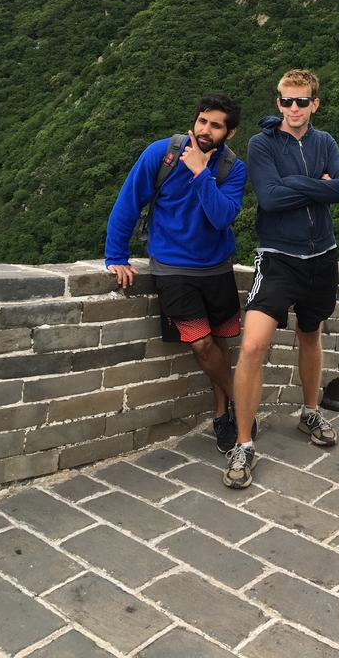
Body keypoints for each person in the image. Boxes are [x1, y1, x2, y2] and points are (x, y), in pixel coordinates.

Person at [105, 92, 250, 455]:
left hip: (216, 267)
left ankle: (224, 414)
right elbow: (129, 199)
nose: (205, 129)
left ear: (229, 133)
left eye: (216, 125)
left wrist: (201, 173)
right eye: (202, 120)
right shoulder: (162, 153)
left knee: (221, 340)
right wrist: (115, 255)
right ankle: (242, 403)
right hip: (171, 268)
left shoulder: (233, 168)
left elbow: (221, 217)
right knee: (200, 342)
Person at [224, 69, 339, 488]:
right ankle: (243, 442)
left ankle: (310, 411)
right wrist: (317, 184)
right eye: (286, 101)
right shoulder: (262, 143)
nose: (293, 108)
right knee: (254, 344)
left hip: (323, 256)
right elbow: (271, 198)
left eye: (302, 101)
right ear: (278, 103)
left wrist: (297, 183)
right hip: (278, 258)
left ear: (315, 103)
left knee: (310, 333)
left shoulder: (325, 141)